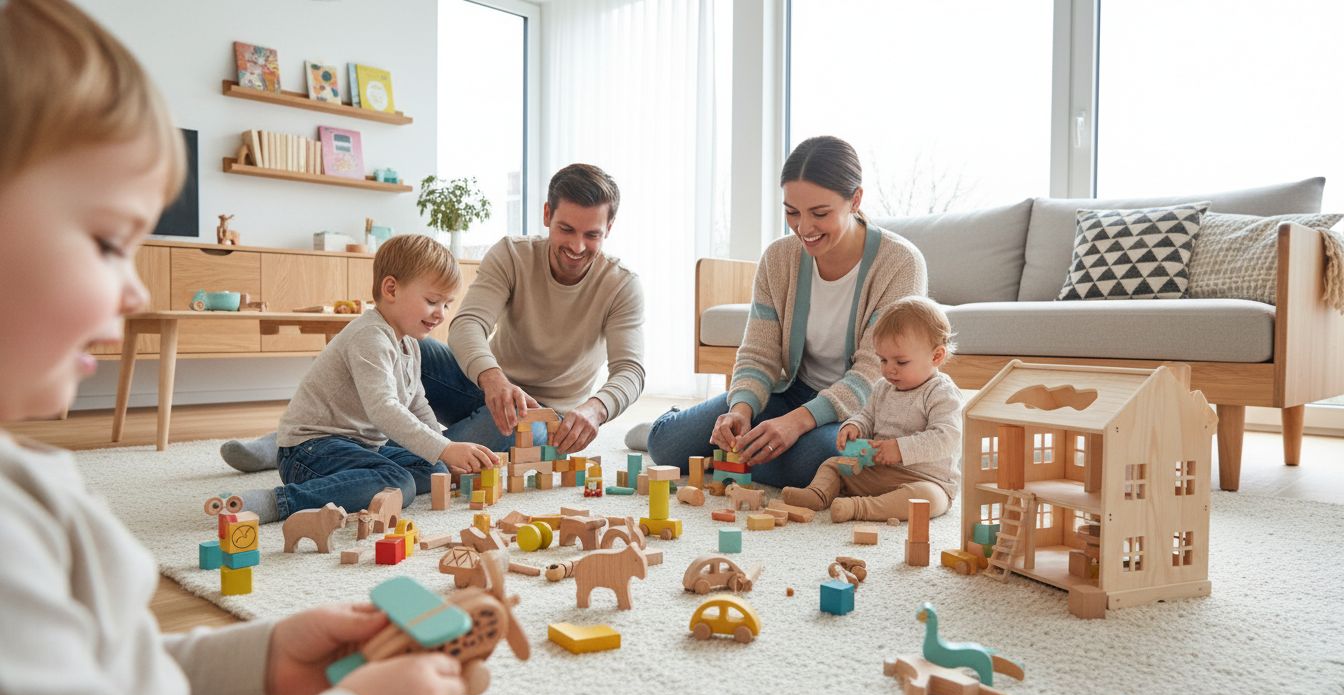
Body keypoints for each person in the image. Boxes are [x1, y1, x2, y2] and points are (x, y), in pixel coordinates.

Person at [0, 2, 464, 695]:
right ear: (386, 290)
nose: (135, 292)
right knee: (388, 470)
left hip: (361, 443)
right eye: (110, 240)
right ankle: (275, 485)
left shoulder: (29, 494)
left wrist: (260, 658)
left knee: (405, 471)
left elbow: (106, 678)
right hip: (324, 443)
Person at [221, 163, 645, 472]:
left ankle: (344, 450)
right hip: (483, 382)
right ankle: (301, 440)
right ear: (548, 215)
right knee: (407, 345)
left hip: (542, 413)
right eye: (566, 230)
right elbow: (468, 325)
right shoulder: (512, 254)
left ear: (609, 228)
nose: (577, 246)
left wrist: (595, 409)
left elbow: (631, 370)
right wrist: (492, 377)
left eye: (592, 235)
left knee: (451, 457)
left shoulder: (621, 284)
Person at [645, 136, 928, 488]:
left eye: (820, 213)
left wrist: (796, 423)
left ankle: (729, 457)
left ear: (855, 200)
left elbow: (874, 374)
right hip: (794, 390)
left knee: (812, 462)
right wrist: (741, 409)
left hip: (863, 411)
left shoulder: (900, 263)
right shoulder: (779, 258)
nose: (804, 228)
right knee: (665, 445)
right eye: (792, 212)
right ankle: (705, 434)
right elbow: (758, 353)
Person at [231, 235, 499, 523]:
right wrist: (445, 447)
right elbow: (384, 409)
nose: (441, 314)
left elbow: (417, 404)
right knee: (398, 483)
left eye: (446, 305)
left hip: (360, 446)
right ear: (391, 289)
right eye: (433, 301)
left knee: (434, 470)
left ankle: (355, 482)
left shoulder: (409, 344)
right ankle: (280, 501)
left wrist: (441, 453)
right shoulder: (369, 335)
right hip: (311, 449)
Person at [781, 297, 962, 522]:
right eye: (883, 360)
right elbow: (868, 416)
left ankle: (860, 508)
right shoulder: (882, 387)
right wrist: (855, 426)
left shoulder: (941, 392)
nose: (889, 370)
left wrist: (900, 449)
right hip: (879, 472)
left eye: (901, 362)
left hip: (924, 479)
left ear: (936, 356)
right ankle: (817, 494)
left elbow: (947, 438)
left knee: (927, 500)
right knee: (832, 464)